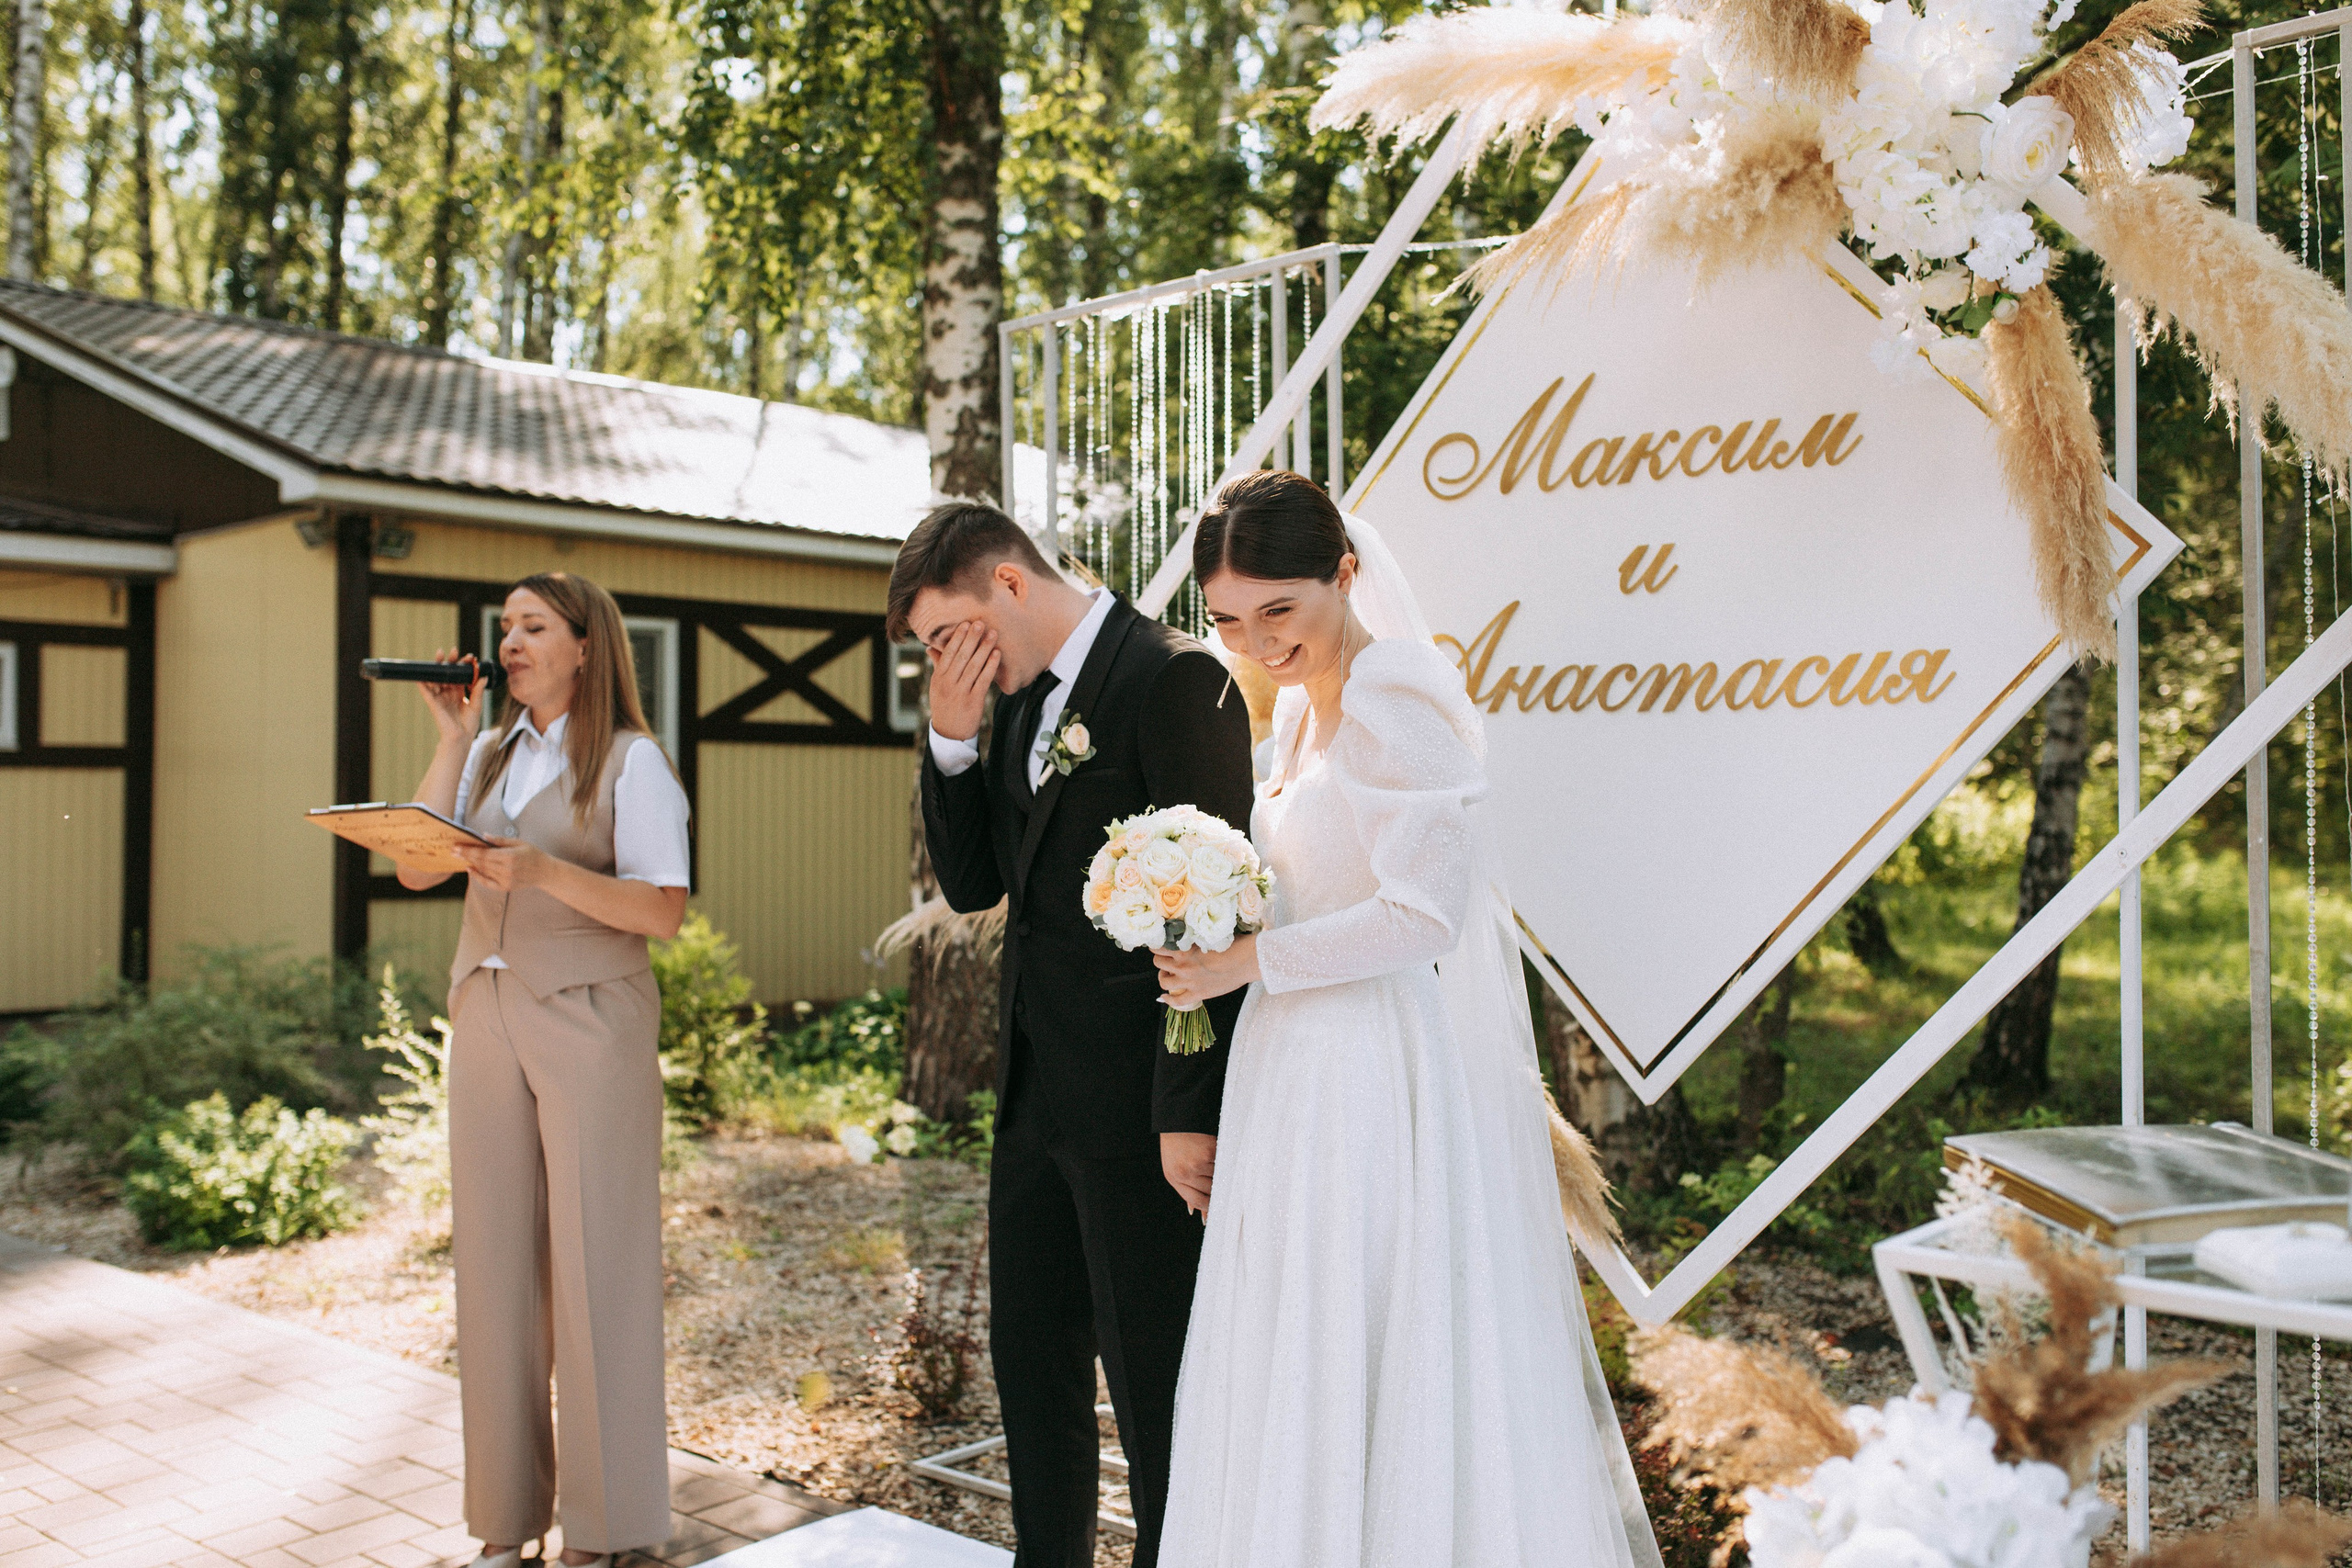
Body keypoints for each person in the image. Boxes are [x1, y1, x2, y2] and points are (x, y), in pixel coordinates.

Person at [1151, 471, 1663, 1568]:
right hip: (1288, 1060)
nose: (1257, 641)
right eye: (1229, 620)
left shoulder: (1395, 697)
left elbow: (1425, 916)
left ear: (1344, 573)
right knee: (1293, 1332)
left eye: (1278, 610)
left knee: (1365, 1327)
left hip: (1366, 1067)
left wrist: (1253, 959)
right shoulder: (1293, 708)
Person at [892, 502, 1255, 1568]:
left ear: (1007, 585)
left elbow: (1214, 915)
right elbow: (972, 885)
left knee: (1155, 1392)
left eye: (947, 634)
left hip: (1144, 1113)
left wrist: (1187, 1115)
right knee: (1033, 1373)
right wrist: (950, 744)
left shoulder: (1173, 679)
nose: (947, 663)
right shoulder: (1010, 702)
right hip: (1034, 1102)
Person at [398, 571, 690, 1568]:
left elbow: (661, 911)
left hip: (591, 1019)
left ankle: (610, 1530)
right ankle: (506, 1520)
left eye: (533, 626)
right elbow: (415, 866)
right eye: (506, 627)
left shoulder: (632, 762)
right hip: (485, 1010)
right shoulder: (483, 753)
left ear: (583, 645)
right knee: (491, 1267)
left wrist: (543, 871)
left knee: (598, 1261)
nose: (511, 642)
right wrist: (447, 737)